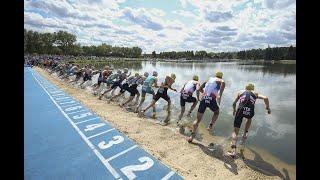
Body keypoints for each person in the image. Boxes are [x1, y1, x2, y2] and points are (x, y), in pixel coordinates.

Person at [226, 83, 271, 158]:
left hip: (240, 110)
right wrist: (267, 108)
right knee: (249, 118)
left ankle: (233, 151)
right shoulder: (255, 93)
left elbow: (234, 103)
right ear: (252, 89)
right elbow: (266, 98)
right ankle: (245, 133)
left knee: (235, 132)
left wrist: (234, 110)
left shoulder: (240, 92)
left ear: (245, 88)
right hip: (250, 110)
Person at [187, 71, 225, 142]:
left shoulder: (209, 80)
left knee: (197, 120)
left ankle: (191, 136)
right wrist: (220, 95)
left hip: (204, 99)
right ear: (221, 77)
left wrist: (204, 93)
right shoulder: (220, 80)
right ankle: (210, 125)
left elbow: (199, 89)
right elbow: (222, 82)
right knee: (216, 112)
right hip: (211, 99)